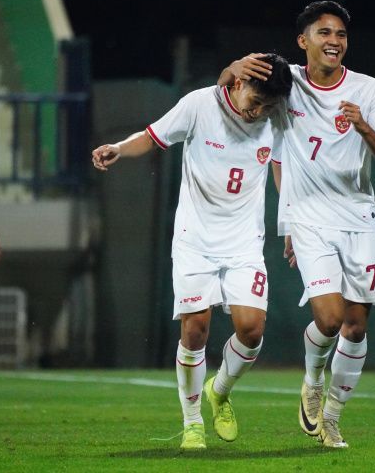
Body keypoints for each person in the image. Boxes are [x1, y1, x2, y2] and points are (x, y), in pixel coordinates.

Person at [219, 0, 375, 449]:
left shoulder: (369, 90)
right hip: (310, 220)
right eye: (324, 33)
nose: (334, 41)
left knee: (357, 325)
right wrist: (289, 224)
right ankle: (312, 380)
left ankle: (332, 419)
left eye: (340, 34)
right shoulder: (288, 85)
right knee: (331, 315)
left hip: (359, 216)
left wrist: (362, 127)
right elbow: (230, 90)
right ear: (303, 42)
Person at [91, 54, 293, 450]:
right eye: (256, 102)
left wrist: (290, 224)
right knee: (195, 328)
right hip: (195, 238)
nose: (259, 112)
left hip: (243, 242)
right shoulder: (200, 105)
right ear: (236, 84)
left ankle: (220, 391)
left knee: (251, 331)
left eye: (268, 107)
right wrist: (118, 146)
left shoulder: (275, 119)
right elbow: (152, 136)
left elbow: (281, 171)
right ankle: (192, 422)